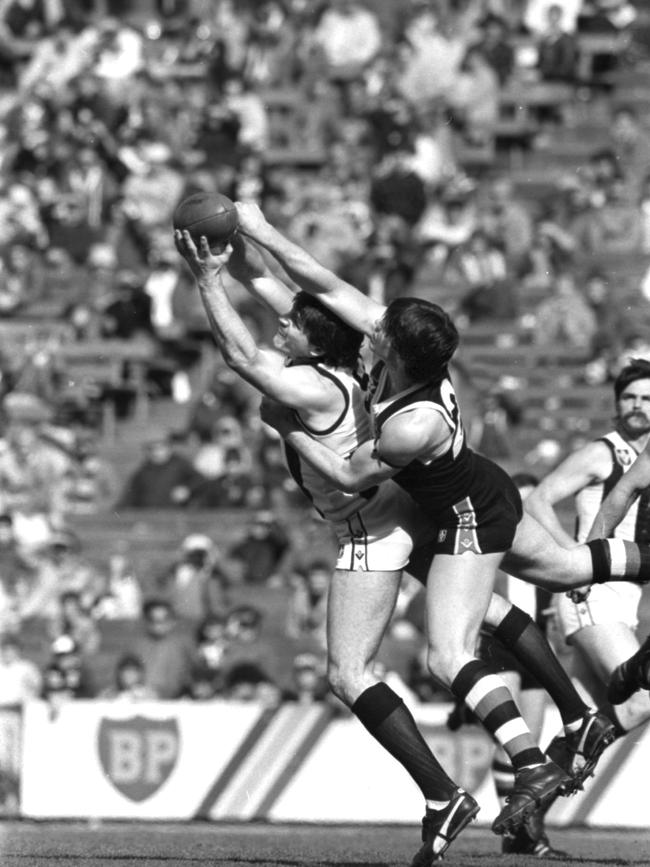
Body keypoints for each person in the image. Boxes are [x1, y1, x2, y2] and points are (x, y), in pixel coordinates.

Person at [175, 224, 616, 861]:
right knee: (525, 591)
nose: (283, 324)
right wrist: (246, 240)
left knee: (362, 670)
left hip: (384, 524)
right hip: (426, 504)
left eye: (292, 326)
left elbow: (249, 364)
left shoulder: (324, 390)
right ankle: (572, 722)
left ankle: (455, 788)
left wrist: (210, 280)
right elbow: (300, 288)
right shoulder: (360, 358)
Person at [525, 359, 650, 743]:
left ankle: (535, 796)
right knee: (639, 702)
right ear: (616, 404)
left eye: (647, 398)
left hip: (624, 593)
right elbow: (539, 500)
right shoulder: (603, 453)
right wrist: (575, 557)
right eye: (628, 397)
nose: (637, 405)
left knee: (585, 729)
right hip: (595, 589)